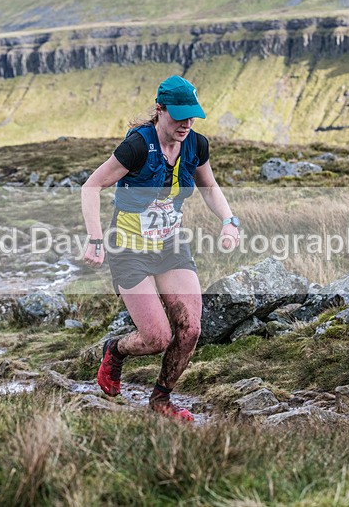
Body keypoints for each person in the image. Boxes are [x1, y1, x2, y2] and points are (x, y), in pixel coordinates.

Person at [81, 75, 240, 421]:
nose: (186, 124)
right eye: (179, 116)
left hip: (170, 247)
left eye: (192, 116)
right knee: (156, 338)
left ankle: (161, 399)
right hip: (129, 250)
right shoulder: (138, 146)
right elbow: (91, 186)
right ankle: (115, 351)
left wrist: (229, 220)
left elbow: (210, 187)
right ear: (160, 109)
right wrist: (95, 238)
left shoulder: (196, 145)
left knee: (190, 329)